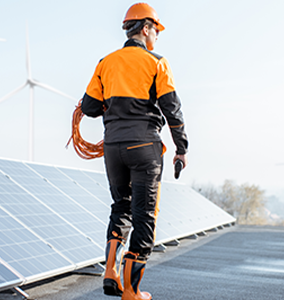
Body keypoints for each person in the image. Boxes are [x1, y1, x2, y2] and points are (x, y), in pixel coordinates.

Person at [80, 3, 188, 300]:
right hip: (144, 147)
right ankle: (132, 291)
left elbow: (89, 107)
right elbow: (172, 110)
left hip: (113, 147)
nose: (157, 36)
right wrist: (181, 148)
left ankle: (111, 273)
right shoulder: (157, 62)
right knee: (144, 217)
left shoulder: (106, 62)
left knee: (120, 207)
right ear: (145, 28)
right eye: (156, 30)